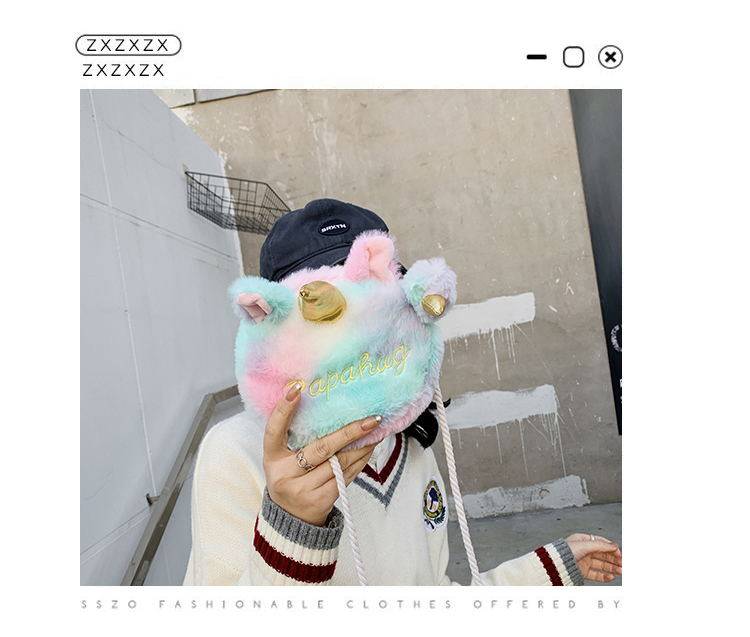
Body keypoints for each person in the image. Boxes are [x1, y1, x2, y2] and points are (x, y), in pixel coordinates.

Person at [183, 199, 623, 586]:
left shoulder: (408, 446)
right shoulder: (235, 451)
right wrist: (291, 530)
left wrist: (551, 567)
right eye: (330, 307)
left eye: (376, 298)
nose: (359, 329)